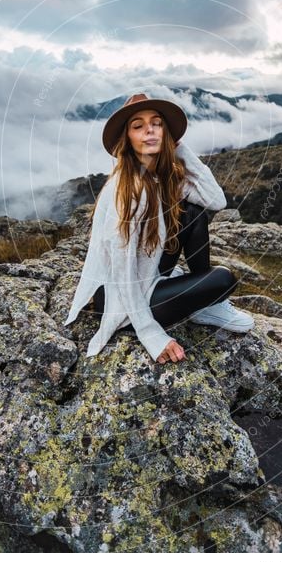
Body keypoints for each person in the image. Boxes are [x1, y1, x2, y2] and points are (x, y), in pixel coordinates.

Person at [63, 93, 254, 365]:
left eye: (157, 123)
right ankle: (204, 301)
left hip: (146, 277)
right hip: (118, 297)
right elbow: (121, 269)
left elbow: (216, 200)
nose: (149, 130)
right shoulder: (128, 190)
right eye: (138, 126)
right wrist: (151, 333)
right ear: (127, 139)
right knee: (224, 280)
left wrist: (178, 147)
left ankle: (208, 306)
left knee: (193, 213)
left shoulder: (161, 177)